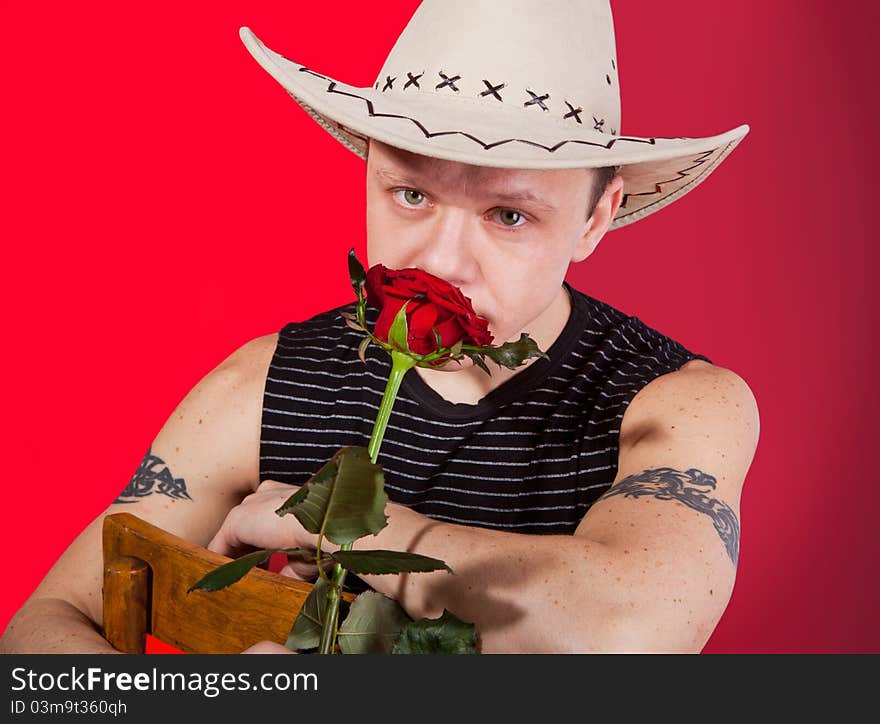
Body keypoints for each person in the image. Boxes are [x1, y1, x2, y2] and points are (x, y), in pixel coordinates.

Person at [0, 0, 758, 654]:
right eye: (410, 195)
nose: (441, 261)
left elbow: (627, 633)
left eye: (509, 214)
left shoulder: (673, 404)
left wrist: (335, 525)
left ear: (597, 216)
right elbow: (47, 621)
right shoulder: (268, 385)